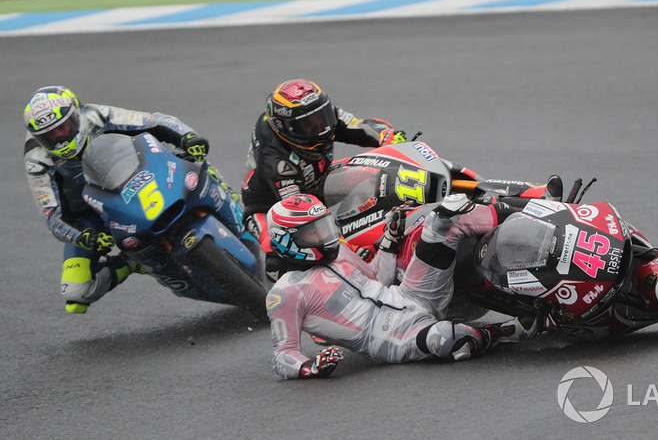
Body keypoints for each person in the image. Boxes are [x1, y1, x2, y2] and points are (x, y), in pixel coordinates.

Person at [265, 193, 534, 379]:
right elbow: (284, 356)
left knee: (446, 218)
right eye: (313, 232)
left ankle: (533, 214)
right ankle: (508, 332)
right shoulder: (285, 294)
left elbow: (376, 278)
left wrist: (390, 238)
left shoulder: (339, 253)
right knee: (444, 337)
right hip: (389, 338)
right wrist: (310, 368)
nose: (326, 237)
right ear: (287, 241)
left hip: (410, 294)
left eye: (324, 227)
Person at [23, 86, 242, 313]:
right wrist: (84, 237)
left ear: (76, 115)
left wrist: (188, 137)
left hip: (136, 177)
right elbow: (53, 216)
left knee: (192, 164)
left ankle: (229, 198)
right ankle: (132, 262)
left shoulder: (96, 115)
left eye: (62, 128)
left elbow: (155, 122)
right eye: (48, 135)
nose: (58, 138)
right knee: (77, 293)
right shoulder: (36, 161)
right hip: (93, 214)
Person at [242, 78, 407, 253]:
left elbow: (356, 125)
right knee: (276, 247)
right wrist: (349, 247)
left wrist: (385, 135)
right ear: (283, 127)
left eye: (321, 116)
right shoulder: (277, 161)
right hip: (269, 210)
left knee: (376, 176)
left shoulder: (320, 116)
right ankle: (284, 279)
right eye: (306, 124)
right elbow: (301, 214)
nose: (319, 126)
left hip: (318, 182)